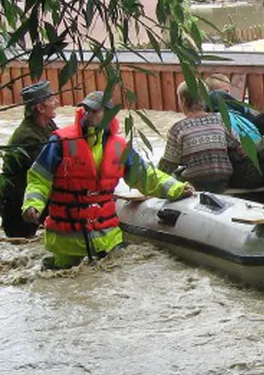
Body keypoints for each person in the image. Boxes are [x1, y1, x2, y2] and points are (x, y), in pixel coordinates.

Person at [22, 91, 193, 269]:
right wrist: (32, 205)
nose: (88, 115)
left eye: (95, 111)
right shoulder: (61, 142)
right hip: (66, 241)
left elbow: (146, 177)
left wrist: (177, 188)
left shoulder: (119, 147)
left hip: (107, 237)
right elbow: (39, 179)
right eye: (86, 109)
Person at [159, 82, 245, 193]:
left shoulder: (178, 128)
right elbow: (239, 148)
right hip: (222, 179)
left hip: (194, 181)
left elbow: (168, 165)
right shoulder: (220, 120)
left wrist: (155, 180)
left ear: (183, 101)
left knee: (173, 178)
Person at [1, 81, 59, 238]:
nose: (57, 103)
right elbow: (50, 169)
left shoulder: (47, 124)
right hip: (20, 208)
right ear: (40, 108)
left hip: (33, 201)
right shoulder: (28, 137)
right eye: (52, 100)